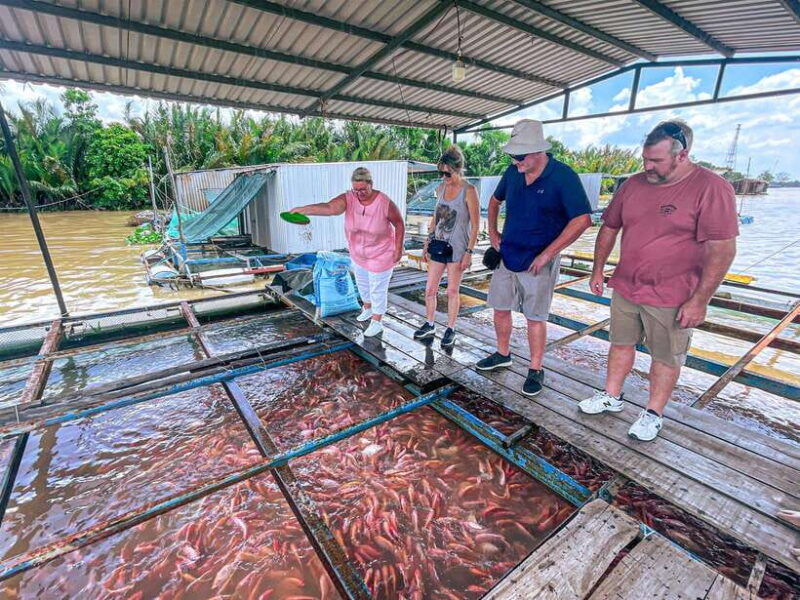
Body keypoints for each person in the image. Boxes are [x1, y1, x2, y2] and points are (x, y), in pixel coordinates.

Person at [578, 120, 738, 441]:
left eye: (656, 161)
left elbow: (722, 250)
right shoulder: (633, 185)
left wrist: (700, 300)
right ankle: (612, 395)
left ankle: (653, 412)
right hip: (626, 285)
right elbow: (609, 227)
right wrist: (598, 269)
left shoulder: (712, 188)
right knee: (620, 343)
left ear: (682, 156)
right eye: (645, 159)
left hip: (673, 295)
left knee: (665, 357)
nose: (647, 167)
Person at [475, 119, 592, 396]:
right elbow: (494, 201)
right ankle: (503, 354)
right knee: (499, 307)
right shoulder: (513, 171)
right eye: (512, 156)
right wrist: (492, 232)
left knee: (534, 317)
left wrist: (549, 253)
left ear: (539, 151)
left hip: (539, 259)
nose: (515, 161)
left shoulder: (563, 176)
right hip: (508, 254)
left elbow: (583, 220)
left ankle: (536, 368)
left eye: (519, 156)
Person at [291, 167, 405, 337]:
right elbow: (329, 208)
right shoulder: (349, 198)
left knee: (377, 289)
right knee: (363, 284)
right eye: (356, 189)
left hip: (381, 254)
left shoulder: (383, 202)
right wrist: (303, 209)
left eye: (363, 189)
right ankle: (367, 309)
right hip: (358, 253)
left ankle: (377, 321)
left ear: (370, 185)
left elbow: (399, 224)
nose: (359, 193)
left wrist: (398, 248)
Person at [413, 146, 480, 348]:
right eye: (440, 173)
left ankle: (451, 328)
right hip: (438, 245)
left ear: (457, 169)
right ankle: (430, 323)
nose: (444, 177)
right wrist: (427, 241)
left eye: (447, 173)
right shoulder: (441, 188)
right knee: (430, 288)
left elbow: (476, 225)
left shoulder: (469, 191)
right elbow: (436, 217)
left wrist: (469, 252)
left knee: (452, 290)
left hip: (458, 248)